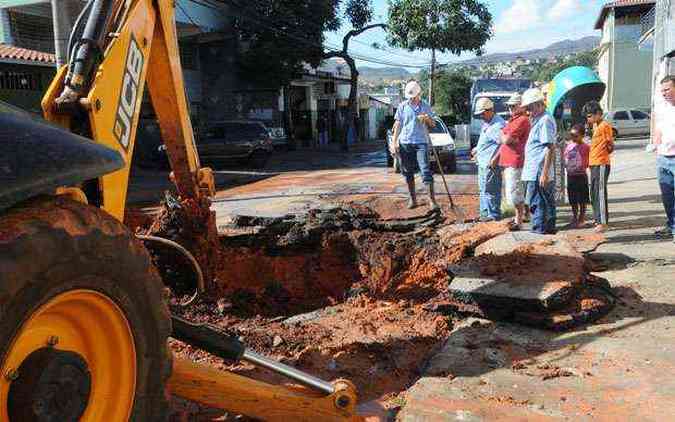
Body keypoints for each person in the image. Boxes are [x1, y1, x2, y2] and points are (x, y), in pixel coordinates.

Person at [392, 80, 438, 210]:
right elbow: (398, 125)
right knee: (407, 171)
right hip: (405, 143)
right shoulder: (402, 106)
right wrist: (394, 142)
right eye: (410, 97)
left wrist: (426, 119)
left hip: (421, 143)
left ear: (419, 94)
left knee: (425, 170)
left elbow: (433, 124)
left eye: (414, 96)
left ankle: (432, 201)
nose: (412, 99)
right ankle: (413, 200)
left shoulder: (425, 106)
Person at [521, 88, 557, 234]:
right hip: (535, 170)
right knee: (542, 202)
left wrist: (544, 172)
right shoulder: (540, 119)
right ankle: (545, 230)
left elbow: (549, 147)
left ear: (538, 104)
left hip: (538, 170)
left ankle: (540, 231)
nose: (528, 112)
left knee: (538, 203)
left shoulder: (545, 120)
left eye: (530, 108)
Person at [494, 93, 530, 229]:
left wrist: (506, 137)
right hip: (510, 160)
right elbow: (503, 136)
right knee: (514, 191)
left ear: (521, 106)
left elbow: (506, 139)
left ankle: (518, 221)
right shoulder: (513, 120)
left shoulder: (522, 120)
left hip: (516, 160)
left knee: (515, 192)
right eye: (509, 106)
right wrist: (506, 137)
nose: (510, 108)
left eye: (513, 106)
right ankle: (519, 218)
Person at [472, 97, 506, 221]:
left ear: (489, 110)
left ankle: (493, 216)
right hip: (483, 162)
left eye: (482, 114)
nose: (481, 116)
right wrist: (477, 149)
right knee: (483, 189)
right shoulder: (488, 123)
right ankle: (485, 214)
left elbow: (504, 144)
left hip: (490, 164)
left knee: (490, 190)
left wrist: (495, 159)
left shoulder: (498, 125)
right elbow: (486, 141)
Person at [583, 101, 614, 232]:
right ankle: (598, 219)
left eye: (590, 115)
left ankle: (603, 222)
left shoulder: (605, 125)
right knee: (594, 192)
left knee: (600, 192)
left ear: (598, 113)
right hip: (594, 163)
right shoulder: (595, 126)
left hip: (601, 163)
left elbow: (610, 145)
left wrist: (603, 151)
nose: (588, 119)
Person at [653, 75, 675, 242]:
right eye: (662, 91)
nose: (664, 93)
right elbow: (658, 128)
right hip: (663, 158)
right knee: (667, 196)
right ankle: (671, 225)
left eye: (667, 89)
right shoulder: (662, 108)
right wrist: (656, 144)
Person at [564, 124, 591, 228]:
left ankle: (582, 218)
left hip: (581, 176)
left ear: (582, 135)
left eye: (576, 135)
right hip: (571, 176)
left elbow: (589, 160)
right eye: (572, 135)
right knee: (573, 199)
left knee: (582, 199)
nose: (573, 138)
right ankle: (574, 217)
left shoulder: (586, 147)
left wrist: (584, 165)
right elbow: (565, 157)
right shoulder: (569, 146)